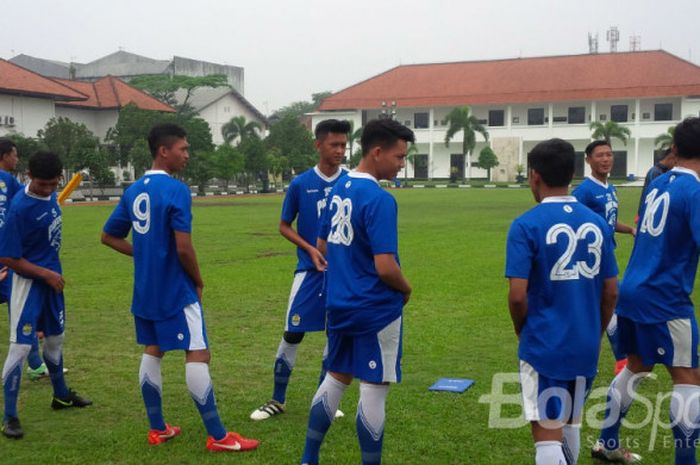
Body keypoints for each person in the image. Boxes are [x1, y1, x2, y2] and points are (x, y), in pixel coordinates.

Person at [101, 123, 258, 452]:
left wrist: (144, 255)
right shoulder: (176, 190)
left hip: (145, 290)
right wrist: (198, 280)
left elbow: (109, 236)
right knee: (198, 352)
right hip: (175, 289)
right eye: (183, 149)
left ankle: (158, 429)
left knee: (153, 350)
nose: (187, 154)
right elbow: (184, 248)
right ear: (163, 151)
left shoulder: (132, 191)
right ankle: (218, 437)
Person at [300, 118, 414, 465]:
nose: (402, 163)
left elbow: (321, 245)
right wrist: (406, 289)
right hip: (374, 309)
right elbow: (385, 266)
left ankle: (308, 458)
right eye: (399, 156)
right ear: (377, 152)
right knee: (374, 388)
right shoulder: (380, 199)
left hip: (339, 304)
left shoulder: (338, 189)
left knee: (335, 378)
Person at [592, 117, 700, 464]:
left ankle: (607, 443)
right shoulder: (695, 191)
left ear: (675, 149)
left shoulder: (657, 183)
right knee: (688, 377)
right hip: (664, 298)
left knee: (636, 365)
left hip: (633, 290)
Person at [506, 138, 618, 465]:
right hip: (584, 342)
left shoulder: (525, 224)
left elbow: (517, 296)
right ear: (573, 173)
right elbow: (611, 291)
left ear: (533, 176)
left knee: (546, 433)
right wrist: (594, 331)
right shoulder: (596, 223)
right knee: (571, 421)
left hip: (544, 342)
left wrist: (521, 327)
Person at [251, 119, 351, 421]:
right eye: (334, 145)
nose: (340, 151)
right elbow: (284, 225)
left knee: (335, 336)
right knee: (292, 333)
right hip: (308, 272)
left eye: (344, 145)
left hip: (342, 275)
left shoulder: (351, 182)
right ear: (318, 145)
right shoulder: (301, 184)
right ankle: (277, 399)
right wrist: (309, 248)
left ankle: (324, 400)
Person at [0, 151, 92, 439]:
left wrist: (53, 275)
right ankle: (10, 417)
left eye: (53, 184)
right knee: (21, 348)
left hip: (53, 282)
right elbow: (10, 257)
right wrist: (46, 274)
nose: (48, 190)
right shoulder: (19, 209)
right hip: (28, 284)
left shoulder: (52, 195)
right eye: (42, 185)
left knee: (55, 340)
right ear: (29, 176)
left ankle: (61, 395)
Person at [572, 140, 634, 375]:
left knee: (606, 306)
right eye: (600, 155)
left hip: (607, 256)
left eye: (609, 154)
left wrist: (629, 229)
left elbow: (608, 220)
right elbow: (572, 222)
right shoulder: (583, 192)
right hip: (592, 261)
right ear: (588, 160)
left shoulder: (610, 188)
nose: (606, 159)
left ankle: (615, 359)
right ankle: (622, 361)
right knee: (611, 305)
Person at [0, 139, 51, 381]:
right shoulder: (9, 181)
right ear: (5, 156)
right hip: (9, 253)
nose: (16, 159)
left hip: (7, 252)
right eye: (15, 155)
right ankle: (35, 364)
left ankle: (35, 362)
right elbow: (28, 204)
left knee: (19, 310)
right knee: (20, 312)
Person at [637, 147, 676, 216]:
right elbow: (656, 194)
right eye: (675, 163)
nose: (675, 166)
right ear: (671, 158)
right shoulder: (655, 172)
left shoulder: (663, 172)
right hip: (649, 212)